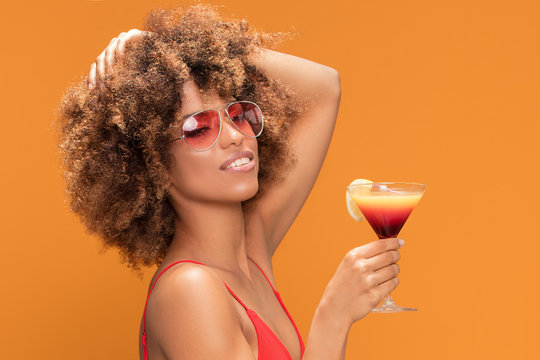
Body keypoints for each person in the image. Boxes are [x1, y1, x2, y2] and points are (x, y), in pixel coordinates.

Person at [55, 4, 403, 360]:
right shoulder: (189, 291)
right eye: (200, 128)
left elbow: (323, 88)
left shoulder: (252, 252)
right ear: (154, 163)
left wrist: (175, 49)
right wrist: (334, 315)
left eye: (237, 115)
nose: (235, 136)